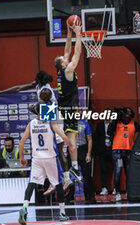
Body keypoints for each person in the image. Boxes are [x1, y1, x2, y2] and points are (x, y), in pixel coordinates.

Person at [18, 104, 76, 224]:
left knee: (32, 183)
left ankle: (24, 207)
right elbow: (63, 136)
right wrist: (70, 145)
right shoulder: (51, 122)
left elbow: (22, 142)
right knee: (59, 184)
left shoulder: (31, 123)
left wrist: (22, 158)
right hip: (50, 158)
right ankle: (62, 213)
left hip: (37, 158)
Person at [54, 21, 83, 183]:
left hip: (63, 106)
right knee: (72, 135)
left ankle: (72, 167)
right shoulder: (69, 70)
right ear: (63, 64)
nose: (66, 57)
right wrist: (78, 34)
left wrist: (69, 34)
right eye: (64, 59)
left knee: (69, 136)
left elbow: (67, 50)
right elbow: (76, 53)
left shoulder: (60, 70)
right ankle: (74, 166)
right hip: (69, 107)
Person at [108, 107, 139, 201]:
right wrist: (116, 115)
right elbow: (109, 131)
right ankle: (117, 192)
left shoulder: (134, 124)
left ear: (131, 115)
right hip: (117, 151)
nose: (126, 115)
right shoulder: (117, 123)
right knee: (117, 173)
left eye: (128, 113)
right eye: (124, 113)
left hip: (129, 150)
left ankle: (129, 192)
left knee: (129, 173)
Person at [77, 117, 96, 203]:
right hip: (72, 149)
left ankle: (90, 195)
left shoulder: (84, 123)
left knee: (87, 174)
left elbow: (90, 139)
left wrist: (88, 154)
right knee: (70, 175)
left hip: (83, 149)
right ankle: (68, 197)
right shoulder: (67, 123)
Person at [94, 108, 113, 195]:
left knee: (115, 169)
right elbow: (96, 138)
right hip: (103, 151)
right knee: (103, 169)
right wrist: (98, 150)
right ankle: (104, 188)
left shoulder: (114, 125)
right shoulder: (100, 125)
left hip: (113, 150)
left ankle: (116, 188)